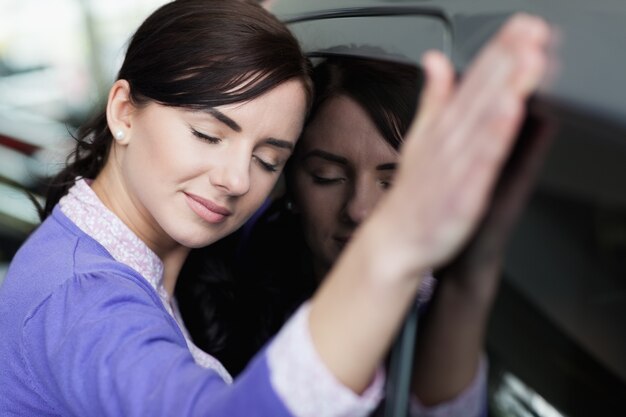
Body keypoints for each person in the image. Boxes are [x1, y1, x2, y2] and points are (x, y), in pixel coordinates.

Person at [0, 0, 551, 414]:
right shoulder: (83, 295)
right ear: (124, 111)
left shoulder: (119, 261)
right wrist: (396, 242)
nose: (236, 179)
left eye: (268, 160)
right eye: (208, 134)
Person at [176, 55, 502, 416]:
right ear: (288, 182)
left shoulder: (437, 315)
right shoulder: (223, 272)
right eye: (327, 175)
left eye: (392, 183)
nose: (359, 209)